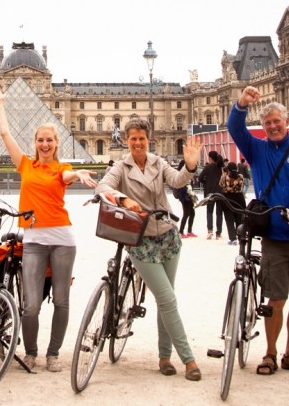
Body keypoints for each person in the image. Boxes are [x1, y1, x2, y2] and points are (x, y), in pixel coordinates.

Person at [0, 82, 97, 372]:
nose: (45, 144)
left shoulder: (60, 168)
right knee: (31, 304)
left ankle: (53, 354)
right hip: (34, 241)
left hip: (63, 239)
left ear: (56, 143)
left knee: (61, 300)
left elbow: (68, 176)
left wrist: (79, 174)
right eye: (41, 140)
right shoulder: (25, 164)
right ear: (35, 143)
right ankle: (32, 351)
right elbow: (4, 134)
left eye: (50, 140)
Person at [96, 119, 203, 382]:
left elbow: (177, 180)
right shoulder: (121, 166)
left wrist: (190, 165)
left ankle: (165, 357)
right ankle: (188, 360)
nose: (137, 142)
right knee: (167, 299)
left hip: (167, 236)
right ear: (126, 140)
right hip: (141, 240)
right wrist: (123, 198)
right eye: (133, 138)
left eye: (142, 138)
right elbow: (103, 186)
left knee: (166, 300)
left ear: (149, 139)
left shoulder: (159, 163)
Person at [228, 86, 289, 378]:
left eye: (276, 121)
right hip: (274, 236)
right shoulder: (256, 149)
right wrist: (241, 103)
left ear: (287, 121)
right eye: (267, 123)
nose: (272, 126)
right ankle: (270, 352)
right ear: (263, 126)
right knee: (275, 298)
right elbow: (235, 128)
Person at [219, 161, 246, 246]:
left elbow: (221, 185)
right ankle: (240, 236)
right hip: (239, 199)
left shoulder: (225, 177)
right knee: (239, 219)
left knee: (229, 220)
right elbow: (241, 186)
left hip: (228, 198)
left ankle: (232, 239)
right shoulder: (240, 176)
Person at [199, 151, 224, 240]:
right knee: (219, 213)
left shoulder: (208, 167)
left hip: (209, 192)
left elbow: (200, 178)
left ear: (210, 157)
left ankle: (210, 231)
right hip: (220, 192)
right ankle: (218, 233)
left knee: (209, 212)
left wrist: (206, 183)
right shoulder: (220, 167)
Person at [172, 160, 196, 238]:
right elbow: (178, 185)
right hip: (184, 196)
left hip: (190, 195)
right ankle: (181, 231)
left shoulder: (189, 173)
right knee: (186, 213)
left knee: (192, 213)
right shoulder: (179, 174)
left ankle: (189, 231)